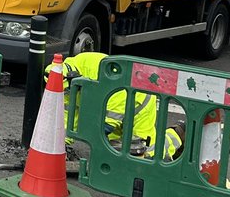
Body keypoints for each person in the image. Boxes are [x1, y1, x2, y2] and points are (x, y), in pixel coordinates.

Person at [55, 51, 183, 160]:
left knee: (144, 153)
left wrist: (103, 129)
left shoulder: (96, 70)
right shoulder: (64, 81)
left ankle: (178, 134)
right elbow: (67, 114)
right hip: (110, 107)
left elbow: (114, 110)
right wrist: (61, 144)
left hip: (139, 103)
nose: (67, 94)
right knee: (115, 150)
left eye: (68, 90)